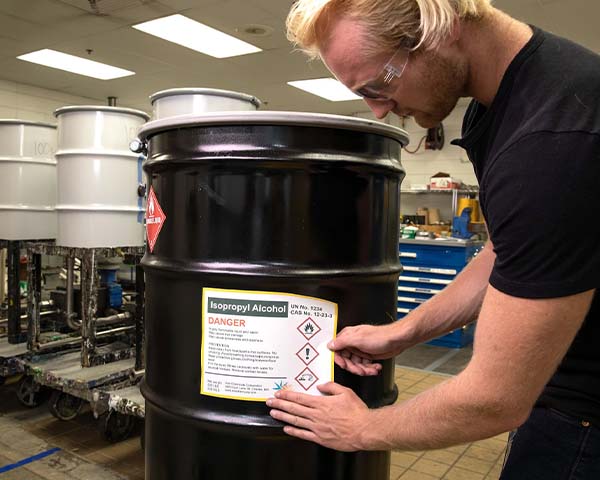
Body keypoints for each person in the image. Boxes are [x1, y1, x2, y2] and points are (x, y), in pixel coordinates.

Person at [265, 1, 600, 477]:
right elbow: (508, 250)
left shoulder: (552, 140)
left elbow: (495, 399)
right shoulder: (499, 107)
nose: (380, 109)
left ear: (438, 29)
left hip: (586, 425)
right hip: (561, 395)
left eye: (378, 85)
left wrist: (363, 429)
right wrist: (404, 332)